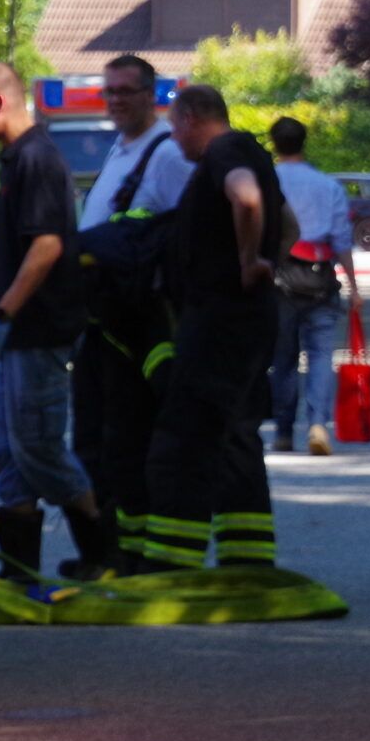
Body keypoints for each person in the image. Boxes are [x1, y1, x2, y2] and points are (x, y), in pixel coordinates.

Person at [0, 62, 116, 581]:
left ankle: (101, 553)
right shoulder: (17, 160)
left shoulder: (38, 160)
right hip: (16, 337)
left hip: (38, 331)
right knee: (4, 450)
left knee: (38, 447)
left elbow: (46, 246)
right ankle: (19, 567)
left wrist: (4, 313)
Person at [141, 84, 286, 571]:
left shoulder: (225, 152)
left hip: (219, 323)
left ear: (189, 118)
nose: (174, 139)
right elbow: (289, 222)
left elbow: (246, 198)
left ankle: (170, 563)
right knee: (236, 435)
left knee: (187, 437)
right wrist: (268, 261)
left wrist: (249, 261)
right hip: (247, 319)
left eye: (174, 127)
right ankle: (247, 561)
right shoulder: (254, 153)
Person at [70, 54, 192, 569]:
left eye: (126, 91)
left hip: (138, 328)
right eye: (110, 91)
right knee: (94, 440)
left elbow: (191, 236)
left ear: (150, 94)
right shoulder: (121, 150)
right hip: (102, 322)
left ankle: (130, 555)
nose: (116, 100)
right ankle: (106, 552)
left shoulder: (168, 154)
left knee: (126, 441)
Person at [266, 116, 359, 456]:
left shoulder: (266, 182)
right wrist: (354, 286)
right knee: (320, 355)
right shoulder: (327, 186)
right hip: (320, 278)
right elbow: (342, 240)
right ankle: (318, 423)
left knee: (283, 359)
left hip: (280, 280)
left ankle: (283, 431)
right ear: (303, 142)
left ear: (274, 143)